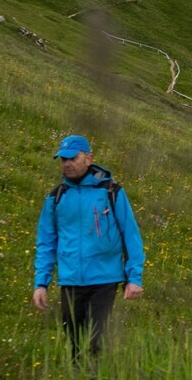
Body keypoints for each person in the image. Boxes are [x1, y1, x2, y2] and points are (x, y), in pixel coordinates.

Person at [33, 135, 144, 367]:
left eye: (73, 158)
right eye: (63, 159)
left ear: (89, 157)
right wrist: (41, 284)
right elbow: (46, 243)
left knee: (95, 340)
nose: (67, 164)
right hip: (71, 280)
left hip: (104, 279)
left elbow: (131, 235)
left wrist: (134, 278)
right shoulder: (55, 199)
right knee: (74, 343)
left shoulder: (111, 192)